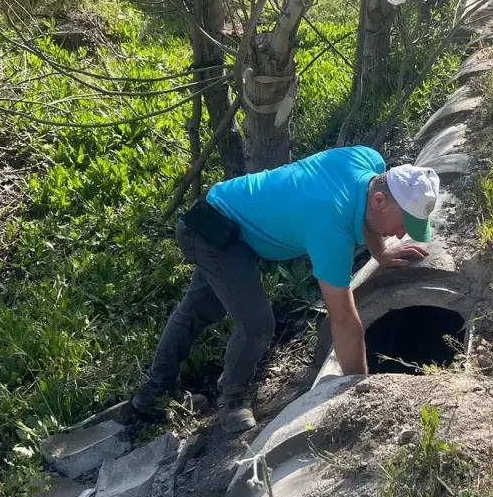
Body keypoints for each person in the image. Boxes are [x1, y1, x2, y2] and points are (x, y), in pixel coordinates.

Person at [131, 147, 441, 432]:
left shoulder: (369, 162)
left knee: (200, 308)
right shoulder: (329, 225)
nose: (402, 233)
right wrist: (358, 390)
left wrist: (381, 253)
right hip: (215, 231)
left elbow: (369, 219)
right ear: (379, 199)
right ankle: (232, 398)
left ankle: (153, 392)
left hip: (233, 220)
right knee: (256, 324)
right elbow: (343, 320)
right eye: (404, 223)